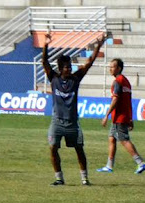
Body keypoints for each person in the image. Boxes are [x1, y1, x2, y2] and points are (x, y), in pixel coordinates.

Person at [42, 31, 105, 186]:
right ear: (60, 68)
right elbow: (44, 62)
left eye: (70, 66)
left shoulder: (76, 79)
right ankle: (59, 178)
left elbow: (89, 62)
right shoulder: (54, 78)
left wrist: (98, 46)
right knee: (52, 148)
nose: (70, 69)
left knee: (79, 149)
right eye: (67, 67)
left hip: (72, 123)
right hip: (57, 121)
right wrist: (45, 45)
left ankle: (84, 178)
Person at [96, 58, 145, 175]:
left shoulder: (118, 82)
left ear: (118, 68)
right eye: (110, 67)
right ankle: (109, 166)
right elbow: (128, 101)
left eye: (112, 67)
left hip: (119, 117)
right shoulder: (126, 81)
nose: (110, 69)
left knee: (124, 140)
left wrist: (106, 115)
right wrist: (130, 118)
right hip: (123, 116)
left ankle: (140, 162)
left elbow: (115, 99)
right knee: (111, 138)